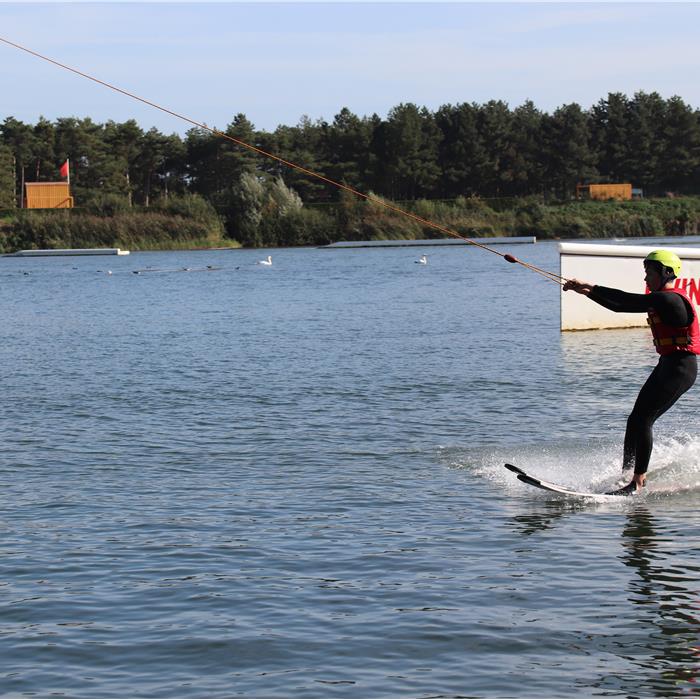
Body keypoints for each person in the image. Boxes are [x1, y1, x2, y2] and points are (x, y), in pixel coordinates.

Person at [563, 250, 699, 495]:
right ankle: (626, 475)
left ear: (666, 272)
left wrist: (590, 287)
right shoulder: (659, 298)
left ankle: (637, 482)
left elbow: (625, 301)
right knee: (634, 419)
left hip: (681, 368)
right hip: (668, 365)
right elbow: (619, 307)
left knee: (644, 420)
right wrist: (586, 292)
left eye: (649, 273)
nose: (645, 279)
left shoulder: (669, 299)